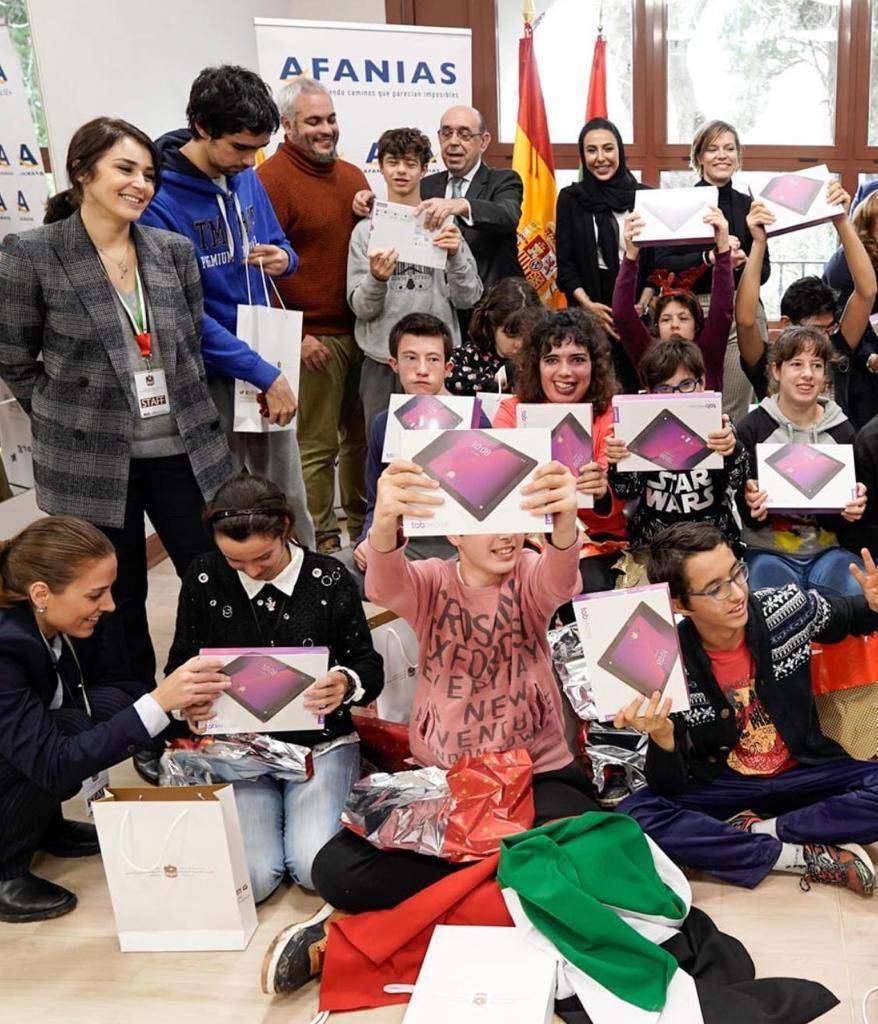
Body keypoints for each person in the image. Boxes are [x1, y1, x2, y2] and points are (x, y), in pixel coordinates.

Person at [260, 457, 601, 995]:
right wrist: (386, 518)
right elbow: (384, 582)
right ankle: (503, 878)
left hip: (537, 776)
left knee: (590, 852)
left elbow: (560, 578)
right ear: (453, 533)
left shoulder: (532, 574)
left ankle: (393, 920)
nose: (507, 536)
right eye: (488, 523)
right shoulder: (432, 581)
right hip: (446, 781)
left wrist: (562, 522)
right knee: (334, 870)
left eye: (514, 519)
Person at [0, 116, 233, 783]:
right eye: (125, 170)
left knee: (210, 578)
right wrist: (65, 410)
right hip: (89, 459)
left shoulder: (170, 251)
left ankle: (208, 706)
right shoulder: (33, 253)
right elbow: (14, 357)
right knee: (114, 598)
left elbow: (186, 339)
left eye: (148, 174)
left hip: (183, 448)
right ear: (83, 175)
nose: (141, 184)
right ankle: (140, 723)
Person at [617, 521, 878, 896]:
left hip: (803, 774)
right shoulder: (665, 656)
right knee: (633, 817)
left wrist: (872, 604)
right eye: (715, 589)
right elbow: (669, 785)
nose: (737, 593)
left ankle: (758, 833)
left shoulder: (783, 607)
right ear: (679, 604)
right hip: (724, 785)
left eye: (737, 573)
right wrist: (662, 736)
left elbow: (849, 616)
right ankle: (796, 855)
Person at [167, 473, 382, 916]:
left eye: (262, 557)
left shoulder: (327, 577)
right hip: (236, 748)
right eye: (234, 560)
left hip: (319, 746)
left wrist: (343, 682)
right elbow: (179, 665)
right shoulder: (204, 577)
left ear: (285, 527)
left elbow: (368, 665)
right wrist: (190, 702)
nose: (250, 570)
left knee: (311, 868)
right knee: (254, 876)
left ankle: (331, 792)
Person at [0, 516, 229, 922]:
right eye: (96, 595)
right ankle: (5, 871)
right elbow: (53, 763)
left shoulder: (46, 618)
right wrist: (159, 703)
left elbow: (114, 694)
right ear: (41, 592)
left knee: (111, 702)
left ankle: (43, 827)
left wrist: (179, 712)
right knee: (62, 741)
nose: (108, 605)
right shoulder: (5, 650)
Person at [137, 65, 315, 550]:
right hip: (214, 371)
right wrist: (260, 373)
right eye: (238, 147)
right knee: (226, 497)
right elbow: (183, 317)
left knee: (287, 489)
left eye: (258, 148)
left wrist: (284, 259)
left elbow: (279, 242)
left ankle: (314, 592)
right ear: (201, 127)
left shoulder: (247, 176)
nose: (249, 160)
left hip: (265, 353)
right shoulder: (159, 201)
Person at [257, 77, 368, 556]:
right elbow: (257, 270)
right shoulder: (269, 181)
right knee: (316, 448)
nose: (327, 130)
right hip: (310, 340)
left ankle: (366, 530)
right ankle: (320, 540)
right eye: (314, 121)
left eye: (331, 118)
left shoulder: (353, 177)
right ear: (288, 125)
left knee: (361, 443)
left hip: (362, 334)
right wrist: (296, 335)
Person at [339, 312, 491, 595]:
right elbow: (376, 499)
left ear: (447, 368)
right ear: (394, 364)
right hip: (405, 539)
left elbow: (492, 500)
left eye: (432, 359)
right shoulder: (383, 424)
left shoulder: (475, 418)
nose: (422, 369)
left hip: (460, 544)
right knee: (335, 572)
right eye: (410, 358)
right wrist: (367, 539)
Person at [347, 127, 482, 433]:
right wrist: (377, 279)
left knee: (443, 453)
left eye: (410, 164)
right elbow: (361, 308)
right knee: (382, 454)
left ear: (424, 169)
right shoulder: (364, 232)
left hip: (437, 362)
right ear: (380, 167)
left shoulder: (446, 225)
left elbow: (469, 298)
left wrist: (455, 256)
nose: (401, 171)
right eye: (393, 162)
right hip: (382, 361)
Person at [355, 105, 523, 334]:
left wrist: (458, 205)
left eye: (464, 134)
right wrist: (369, 202)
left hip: (490, 318)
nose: (453, 141)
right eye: (446, 133)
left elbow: (507, 215)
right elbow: (402, 209)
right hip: (435, 319)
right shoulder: (425, 184)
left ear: (483, 141)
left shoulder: (504, 180)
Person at [493, 308, 627, 593]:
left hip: (595, 545)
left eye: (577, 360)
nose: (565, 372)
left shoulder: (612, 415)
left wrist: (602, 491)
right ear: (535, 365)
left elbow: (618, 508)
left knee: (589, 582)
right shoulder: (511, 411)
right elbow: (500, 489)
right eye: (552, 360)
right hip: (524, 541)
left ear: (595, 365)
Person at [652, 120, 770, 423]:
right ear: (698, 157)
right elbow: (663, 265)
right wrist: (712, 257)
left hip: (741, 313)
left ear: (738, 156)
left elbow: (765, 271)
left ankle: (731, 469)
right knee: (686, 402)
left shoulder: (749, 205)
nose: (722, 155)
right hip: (692, 312)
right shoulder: (679, 203)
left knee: (732, 410)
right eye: (713, 148)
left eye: (729, 148)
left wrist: (745, 261)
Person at [735, 325, 867, 597]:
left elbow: (849, 522)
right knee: (769, 603)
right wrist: (749, 501)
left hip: (829, 552)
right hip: (766, 552)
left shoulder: (843, 431)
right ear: (776, 371)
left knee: (858, 592)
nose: (808, 374)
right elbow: (744, 512)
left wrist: (854, 507)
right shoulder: (752, 429)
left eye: (817, 365)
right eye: (796, 364)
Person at [737, 182, 876, 419]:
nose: (820, 338)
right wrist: (759, 242)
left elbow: (867, 292)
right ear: (786, 324)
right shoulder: (766, 362)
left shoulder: (835, 352)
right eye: (813, 329)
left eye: (827, 329)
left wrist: (841, 221)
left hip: (835, 450)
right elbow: (746, 320)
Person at [605, 339, 747, 549]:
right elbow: (627, 491)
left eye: (686, 384)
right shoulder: (640, 427)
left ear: (702, 383)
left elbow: (738, 482)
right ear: (649, 391)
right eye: (664, 388)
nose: (677, 396)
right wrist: (617, 462)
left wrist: (732, 450)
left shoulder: (719, 425)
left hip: (711, 538)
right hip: (654, 541)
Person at [555, 116, 653, 393]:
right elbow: (566, 266)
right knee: (595, 393)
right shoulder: (571, 198)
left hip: (637, 308)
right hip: (588, 310)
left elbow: (657, 262)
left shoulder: (644, 197)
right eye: (591, 150)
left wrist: (641, 306)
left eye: (608, 149)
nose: (601, 158)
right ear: (582, 155)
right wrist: (589, 309)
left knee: (637, 392)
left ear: (620, 151)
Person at [613, 207, 733, 392]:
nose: (674, 325)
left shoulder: (708, 349)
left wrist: (723, 249)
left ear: (697, 326)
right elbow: (622, 315)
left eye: (683, 318)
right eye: (666, 319)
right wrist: (631, 255)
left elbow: (722, 308)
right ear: (657, 327)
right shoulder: (648, 351)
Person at [823, 191, 878, 429]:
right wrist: (869, 357)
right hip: (858, 368)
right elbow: (843, 325)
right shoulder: (846, 263)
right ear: (868, 224)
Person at [444, 276, 543, 396]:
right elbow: (445, 374)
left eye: (526, 335)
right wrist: (493, 383)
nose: (519, 344)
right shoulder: (469, 354)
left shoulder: (542, 357)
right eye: (511, 335)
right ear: (492, 325)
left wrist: (513, 370)